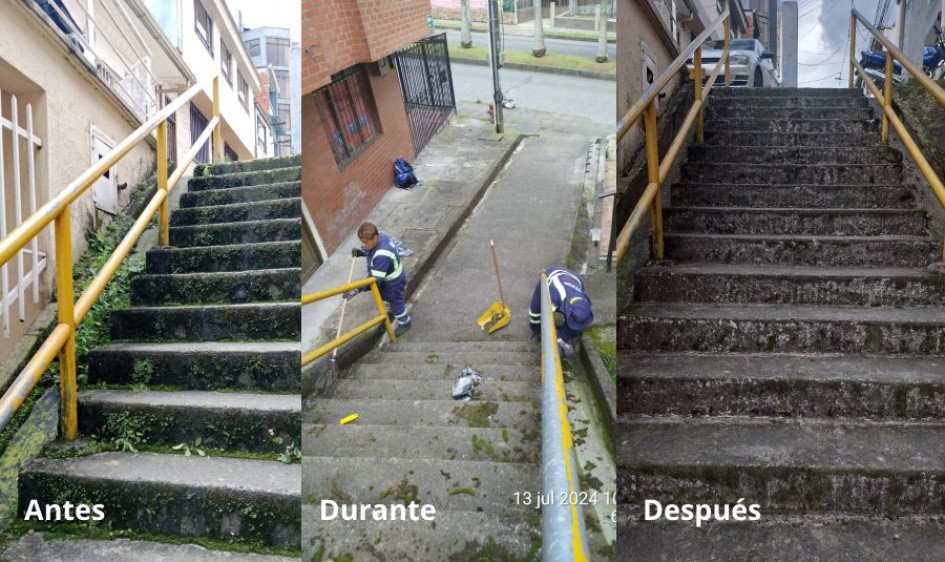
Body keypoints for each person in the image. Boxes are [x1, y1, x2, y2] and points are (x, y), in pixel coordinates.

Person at [343, 222, 412, 336]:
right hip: (391, 279)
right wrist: (362, 252)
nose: (364, 244)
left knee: (395, 303)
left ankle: (405, 322)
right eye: (362, 242)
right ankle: (394, 306)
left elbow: (374, 281)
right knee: (390, 299)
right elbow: (372, 251)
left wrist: (356, 289)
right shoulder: (381, 237)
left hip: (392, 284)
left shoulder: (382, 256)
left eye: (366, 242)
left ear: (375, 237)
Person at [528, 266, 594, 358]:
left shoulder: (584, 300)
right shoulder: (554, 296)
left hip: (575, 278)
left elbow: (581, 318)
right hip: (550, 277)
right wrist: (559, 339)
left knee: (576, 322)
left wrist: (564, 340)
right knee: (535, 312)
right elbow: (546, 320)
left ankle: (564, 337)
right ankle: (536, 331)